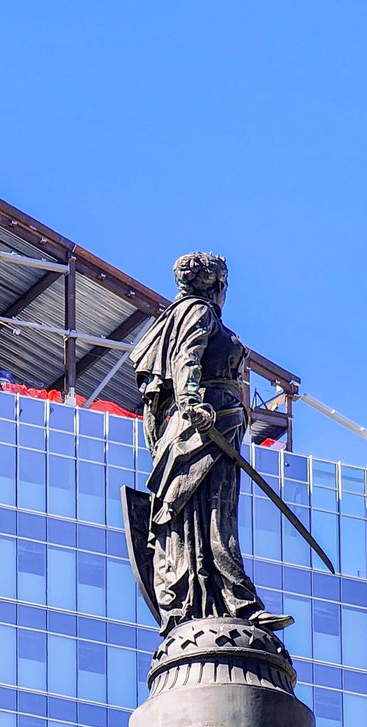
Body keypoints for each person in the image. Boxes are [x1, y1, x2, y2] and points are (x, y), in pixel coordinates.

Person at [129, 252, 291, 635]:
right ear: (217, 284)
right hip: (208, 425)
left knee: (205, 515)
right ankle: (239, 605)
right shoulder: (199, 313)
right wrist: (191, 402)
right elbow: (187, 358)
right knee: (216, 514)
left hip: (210, 427)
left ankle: (209, 601)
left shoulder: (176, 316)